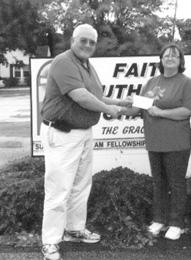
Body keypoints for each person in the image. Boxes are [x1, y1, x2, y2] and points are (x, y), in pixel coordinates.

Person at [40, 24, 130, 260]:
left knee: (81, 185)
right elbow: (80, 96)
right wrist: (110, 108)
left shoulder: (87, 66)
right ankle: (50, 241)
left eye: (92, 41)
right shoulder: (63, 62)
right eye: (84, 40)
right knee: (58, 189)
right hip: (61, 133)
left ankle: (74, 230)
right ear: (73, 40)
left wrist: (120, 102)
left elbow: (95, 96)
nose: (88, 45)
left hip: (82, 132)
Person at [120, 44, 191, 240]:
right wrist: (116, 107)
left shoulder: (185, 82)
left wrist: (161, 112)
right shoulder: (151, 82)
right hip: (154, 141)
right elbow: (137, 109)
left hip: (177, 142)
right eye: (166, 56)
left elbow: (188, 110)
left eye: (175, 56)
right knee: (159, 182)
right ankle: (159, 220)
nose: (170, 58)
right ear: (161, 60)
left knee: (176, 183)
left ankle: (176, 223)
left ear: (180, 61)